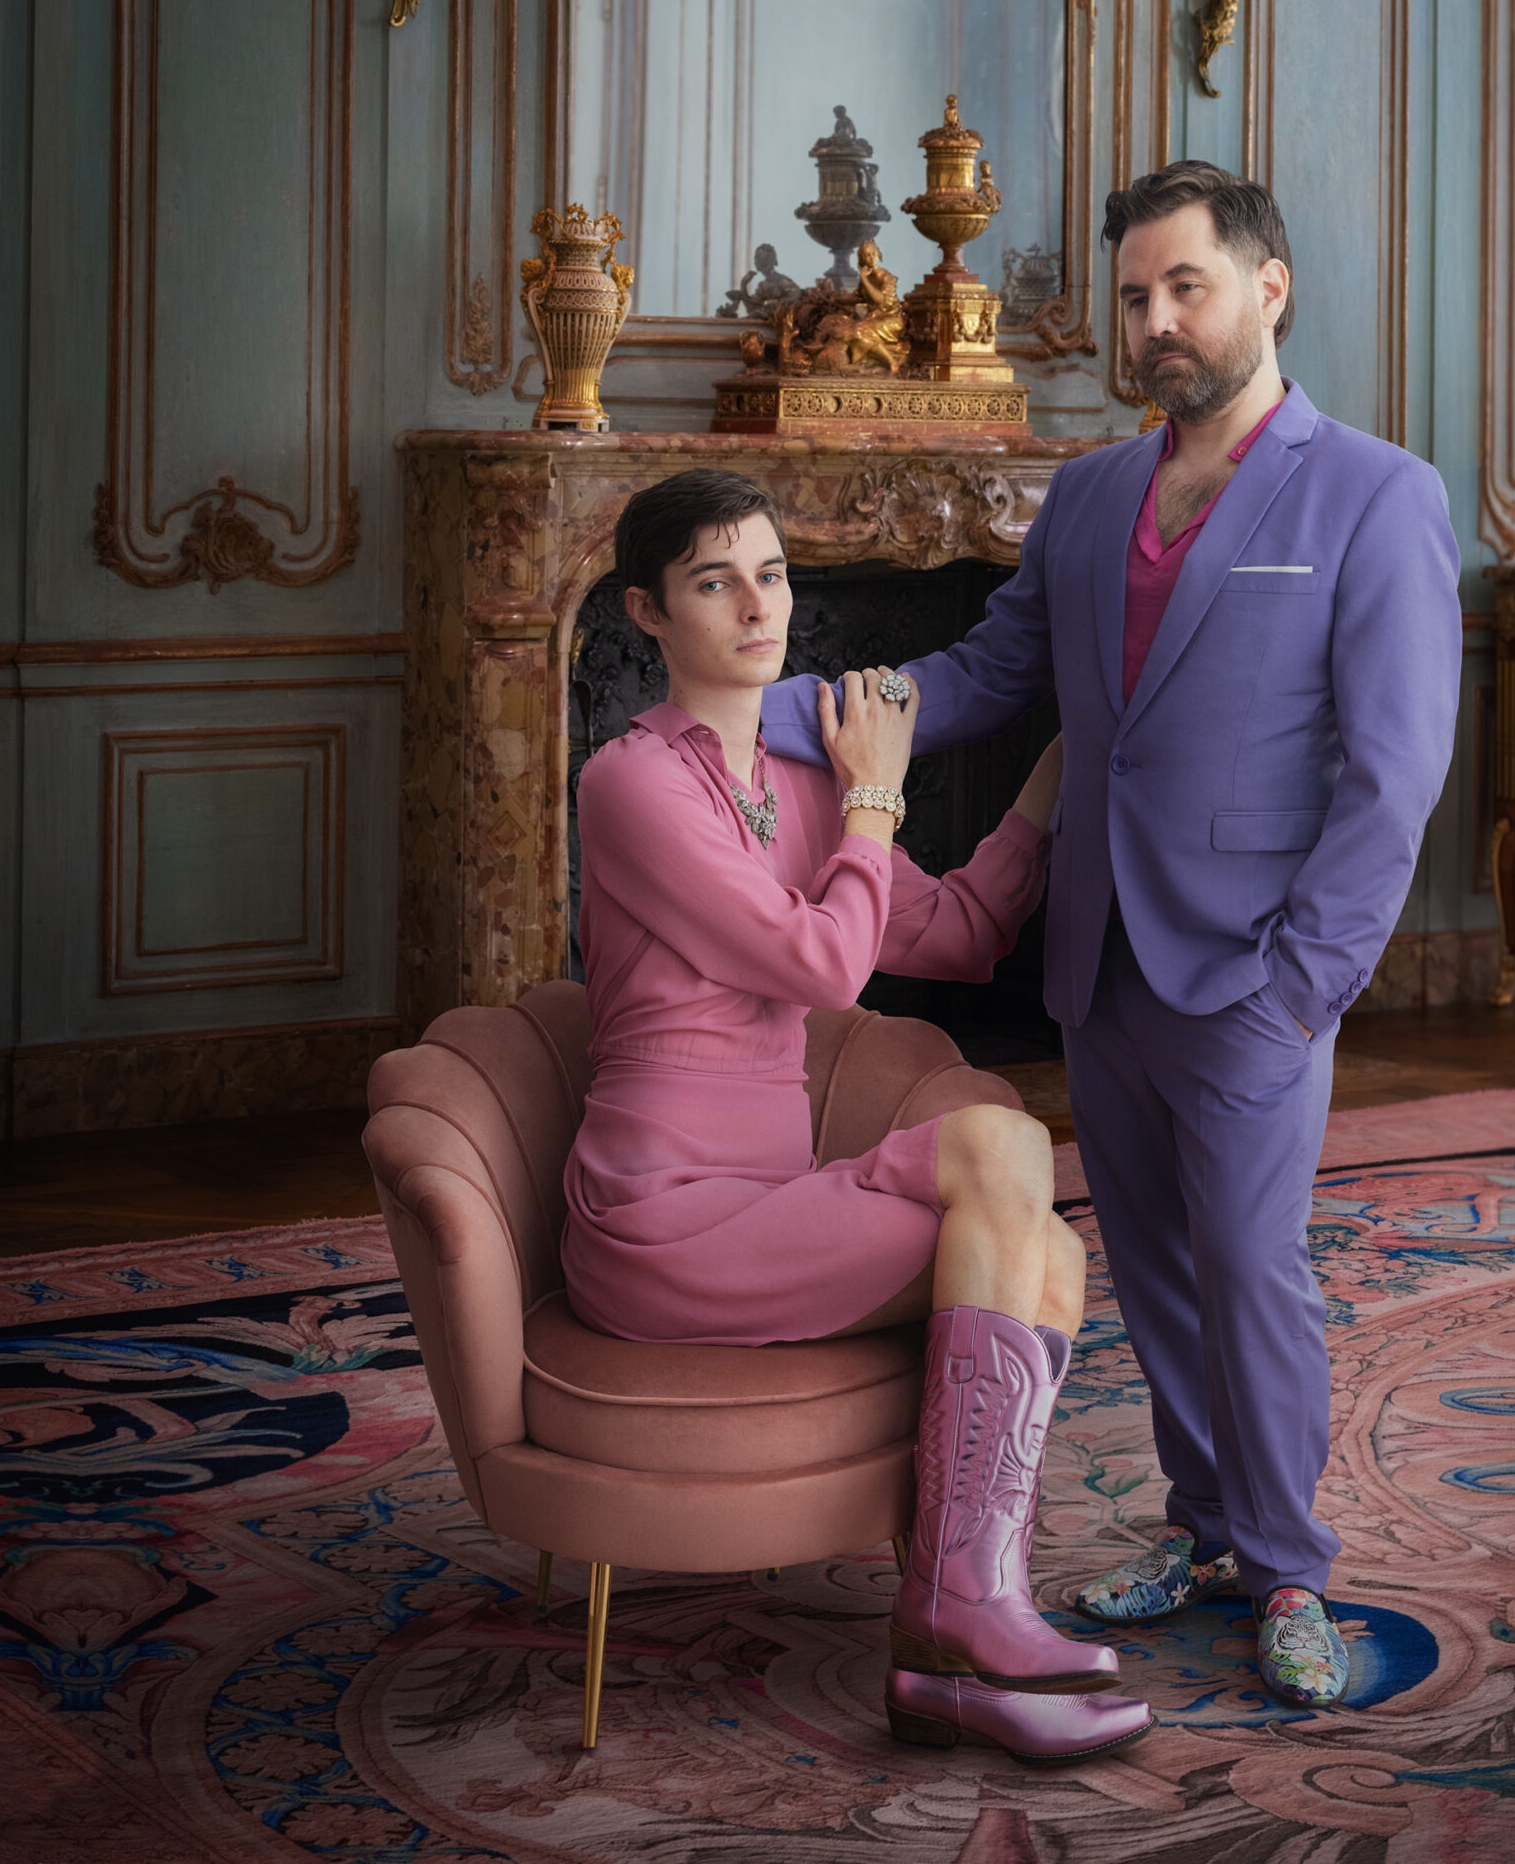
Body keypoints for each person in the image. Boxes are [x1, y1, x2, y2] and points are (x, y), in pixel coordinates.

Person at [765, 162, 1462, 1708]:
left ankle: (1290, 1568)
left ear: (1268, 287)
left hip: (1256, 970)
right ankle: (1206, 1533)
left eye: (1185, 288)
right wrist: (781, 715)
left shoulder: (1373, 496)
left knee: (1251, 1268)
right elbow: (980, 679)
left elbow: (1395, 771)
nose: (1155, 323)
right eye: (1134, 298)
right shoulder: (1085, 500)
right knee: (1150, 1265)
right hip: (1100, 957)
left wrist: (1309, 983)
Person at [565, 468, 1151, 1764]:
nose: (755, 603)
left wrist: (1061, 769)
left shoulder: (805, 780)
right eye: (715, 581)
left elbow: (957, 931)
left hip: (772, 1205)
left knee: (1044, 1239)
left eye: (771, 574)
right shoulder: (631, 785)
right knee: (1005, 1149)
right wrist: (877, 793)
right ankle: (958, 1624)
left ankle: (959, 1636)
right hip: (662, 1224)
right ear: (648, 614)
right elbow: (826, 966)